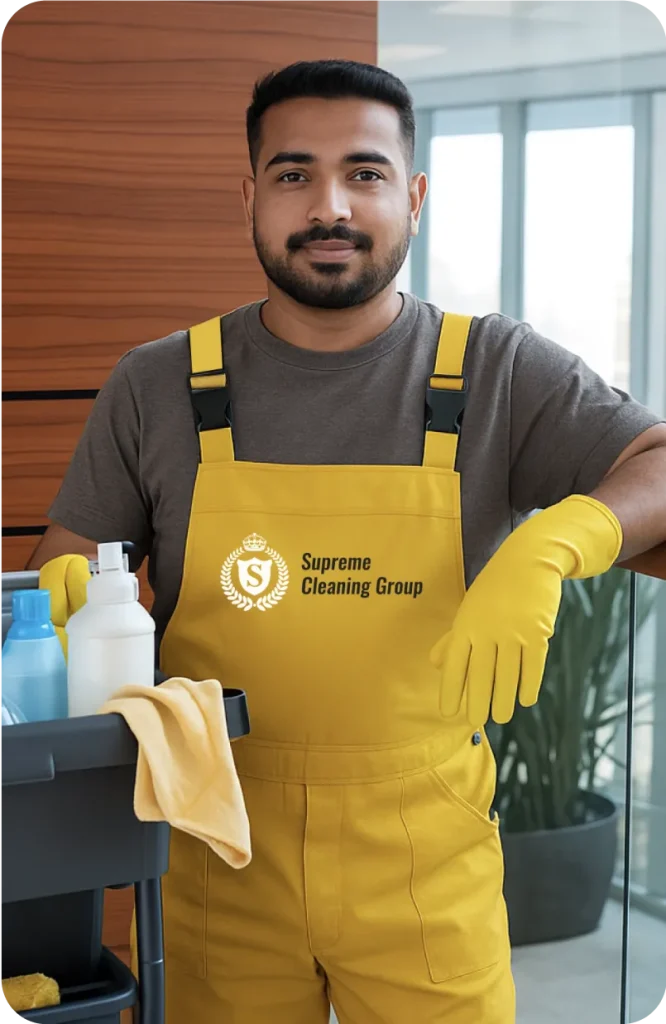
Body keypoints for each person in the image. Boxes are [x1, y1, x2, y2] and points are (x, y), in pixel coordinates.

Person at [28, 59, 666, 1024]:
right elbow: (58, 587)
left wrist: (560, 542)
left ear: (411, 195)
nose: (330, 206)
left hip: (425, 861)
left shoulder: (492, 371)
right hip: (219, 841)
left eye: (364, 173)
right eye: (293, 175)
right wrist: (71, 614)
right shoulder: (160, 385)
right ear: (249, 195)